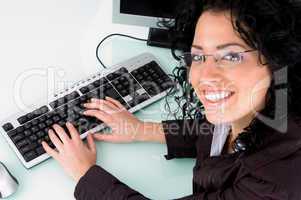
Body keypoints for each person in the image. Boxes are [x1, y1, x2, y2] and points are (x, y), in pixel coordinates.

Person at [42, 0, 301, 199]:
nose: (203, 76)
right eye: (198, 56)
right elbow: (215, 132)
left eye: (231, 56)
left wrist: (85, 175)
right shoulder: (253, 105)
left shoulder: (277, 181)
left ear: (277, 61)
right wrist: (141, 130)